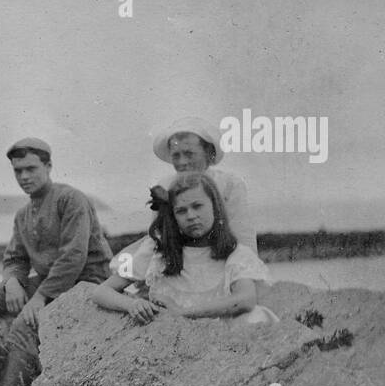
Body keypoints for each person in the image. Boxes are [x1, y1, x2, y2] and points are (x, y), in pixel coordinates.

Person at [0, 137, 112, 386]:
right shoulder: (23, 214)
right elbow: (15, 258)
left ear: (48, 166)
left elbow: (73, 257)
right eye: (18, 171)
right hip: (48, 282)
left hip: (86, 282)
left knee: (25, 324)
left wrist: (39, 298)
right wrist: (12, 282)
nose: (24, 176)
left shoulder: (70, 199)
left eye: (31, 169)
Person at [92, 171, 278, 324]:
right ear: (173, 216)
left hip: (222, 341)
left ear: (215, 207)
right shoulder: (157, 253)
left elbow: (245, 300)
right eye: (181, 210)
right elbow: (102, 291)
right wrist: (131, 304)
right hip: (173, 340)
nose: (191, 216)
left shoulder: (234, 253)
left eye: (198, 206)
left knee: (253, 319)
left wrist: (183, 312)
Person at [151, 117, 257, 251]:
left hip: (223, 261)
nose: (182, 162)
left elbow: (244, 236)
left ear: (209, 153)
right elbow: (158, 237)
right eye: (176, 155)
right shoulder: (165, 186)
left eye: (189, 154)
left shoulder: (229, 184)